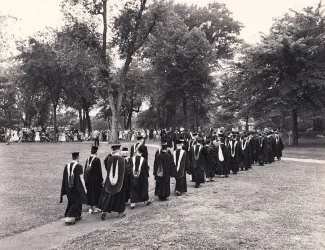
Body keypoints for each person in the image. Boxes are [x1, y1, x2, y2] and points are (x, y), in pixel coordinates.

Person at [98, 144, 131, 220]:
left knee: (109, 196)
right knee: (119, 197)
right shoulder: (123, 160)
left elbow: (106, 164)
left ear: (112, 151)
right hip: (120, 182)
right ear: (119, 151)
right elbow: (127, 171)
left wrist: (111, 153)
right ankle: (120, 213)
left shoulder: (109, 159)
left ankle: (104, 211)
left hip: (109, 181)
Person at [60, 152, 87, 225]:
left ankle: (77, 215)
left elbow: (64, 178)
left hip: (68, 187)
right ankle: (69, 217)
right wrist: (84, 188)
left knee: (71, 201)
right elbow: (81, 178)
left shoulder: (67, 166)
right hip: (76, 188)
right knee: (76, 202)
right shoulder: (79, 166)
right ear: (78, 158)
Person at [129, 145, 153, 209]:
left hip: (133, 177)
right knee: (143, 188)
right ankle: (145, 201)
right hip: (142, 177)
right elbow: (145, 170)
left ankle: (132, 204)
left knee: (133, 189)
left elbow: (129, 168)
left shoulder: (131, 159)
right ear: (142, 153)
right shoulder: (144, 160)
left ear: (137, 151)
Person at [84, 146, 103, 214]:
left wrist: (85, 179)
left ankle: (91, 208)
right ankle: (95, 208)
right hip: (95, 180)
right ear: (96, 152)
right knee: (96, 193)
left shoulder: (88, 159)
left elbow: (85, 170)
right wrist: (101, 180)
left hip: (88, 180)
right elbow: (99, 171)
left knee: (90, 193)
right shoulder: (97, 160)